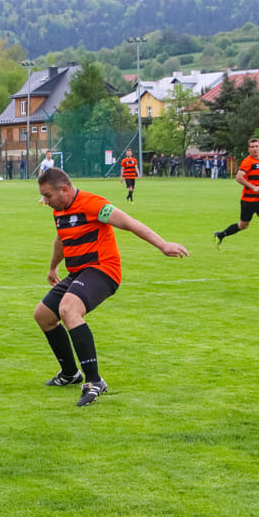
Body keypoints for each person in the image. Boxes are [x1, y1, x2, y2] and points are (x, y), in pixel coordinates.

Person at [35, 168, 188, 406]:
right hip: (78, 272)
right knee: (43, 316)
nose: (45, 201)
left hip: (103, 270)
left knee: (69, 310)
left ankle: (94, 381)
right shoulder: (60, 209)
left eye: (48, 196)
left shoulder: (94, 204)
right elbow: (61, 238)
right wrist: (53, 267)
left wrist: (163, 245)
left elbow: (129, 222)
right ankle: (70, 373)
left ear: (64, 189)